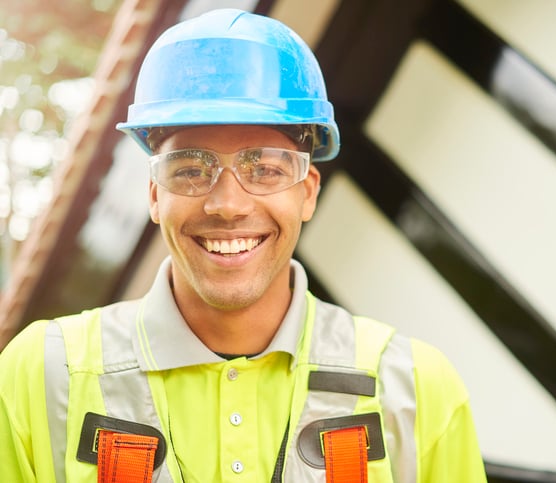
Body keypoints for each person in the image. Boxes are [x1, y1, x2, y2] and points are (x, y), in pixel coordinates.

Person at [0, 8, 487, 483]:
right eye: (191, 169)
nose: (228, 205)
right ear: (154, 195)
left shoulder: (414, 389)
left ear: (308, 191)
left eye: (266, 168)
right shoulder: (43, 377)